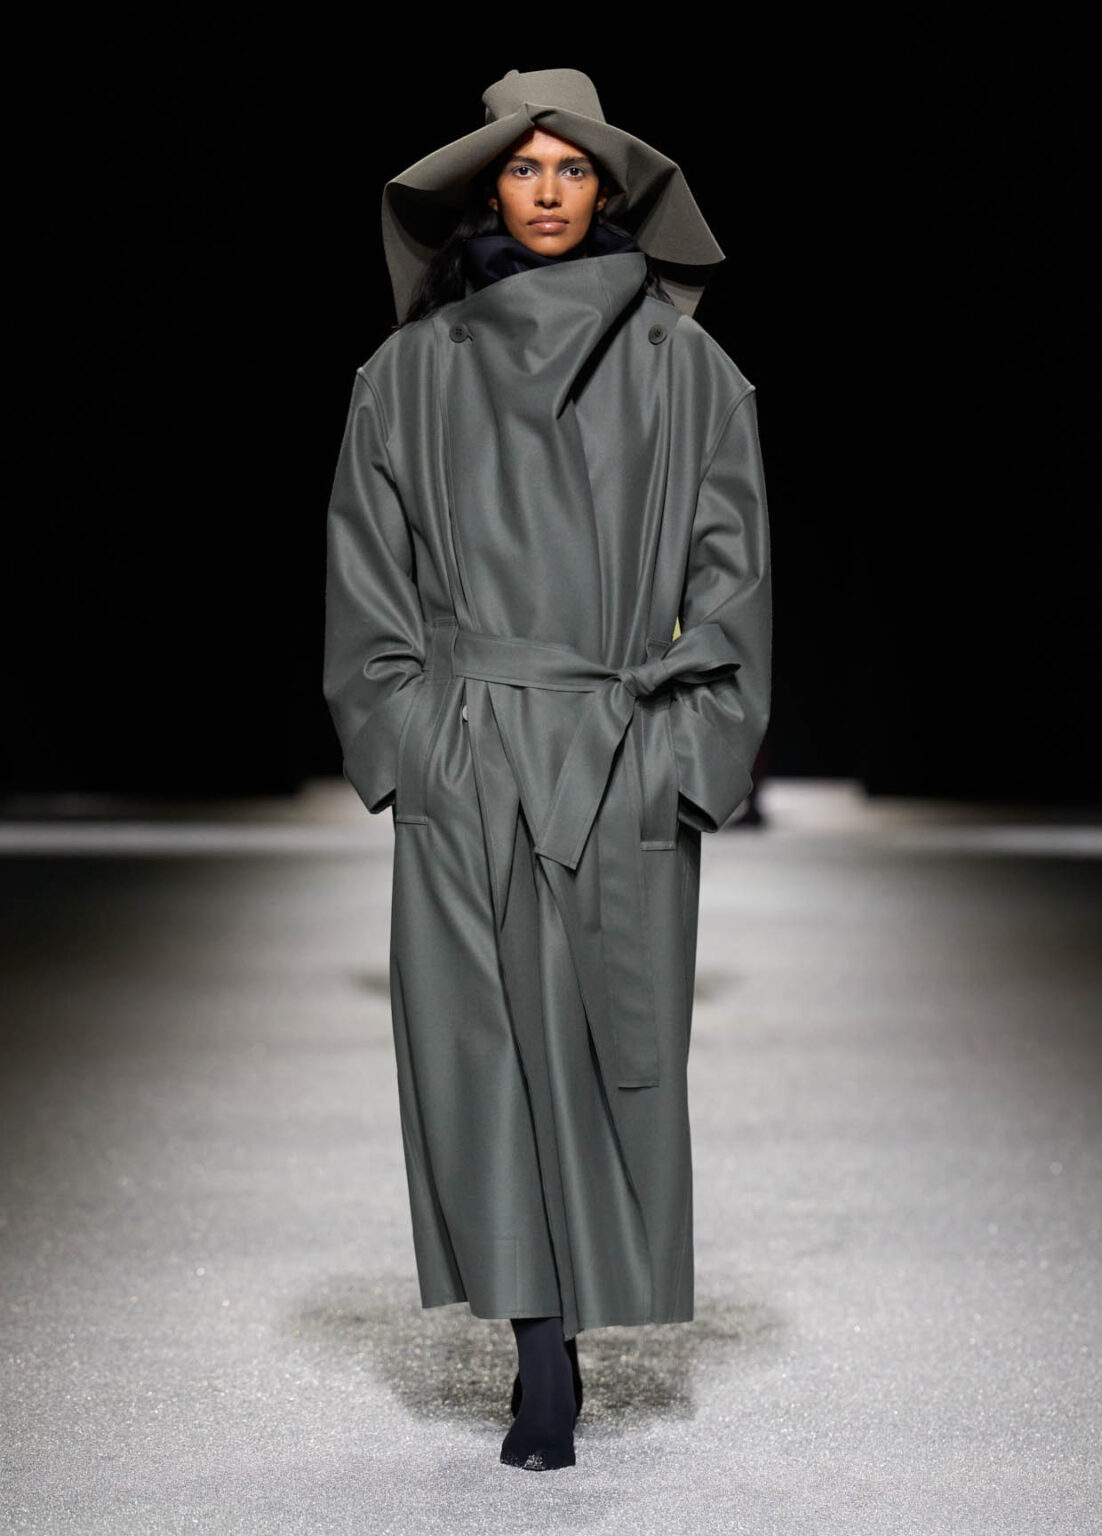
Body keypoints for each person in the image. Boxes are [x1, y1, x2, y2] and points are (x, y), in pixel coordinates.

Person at [322, 68, 772, 1472]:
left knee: (604, 1055)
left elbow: (734, 579)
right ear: (487, 185)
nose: (548, 190)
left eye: (574, 168)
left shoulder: (689, 368)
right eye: (524, 167)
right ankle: (537, 1350)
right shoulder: (406, 373)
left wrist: (684, 755)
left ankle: (570, 1317)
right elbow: (366, 580)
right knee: (478, 1054)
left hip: (615, 743)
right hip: (467, 744)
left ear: (610, 188)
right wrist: (411, 743)